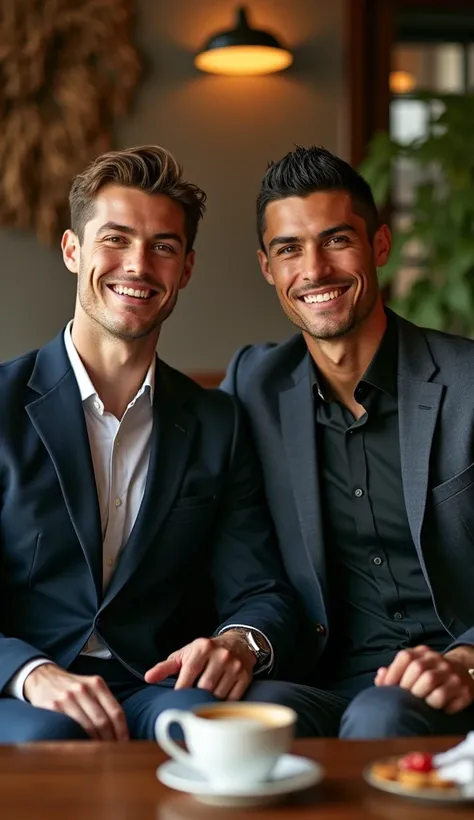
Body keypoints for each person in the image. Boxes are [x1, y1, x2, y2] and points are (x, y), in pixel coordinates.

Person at [0, 145, 318, 742]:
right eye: (115, 239)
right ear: (74, 251)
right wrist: (29, 672)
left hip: (156, 684)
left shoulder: (217, 423)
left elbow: (260, 589)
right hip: (20, 690)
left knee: (216, 733)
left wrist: (239, 643)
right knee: (53, 740)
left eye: (163, 248)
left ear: (186, 269)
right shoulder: (1, 405)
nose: (138, 265)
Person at [221, 145, 474, 738]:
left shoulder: (467, 383)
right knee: (231, 723)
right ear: (267, 268)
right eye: (289, 249)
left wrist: (466, 661)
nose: (314, 270)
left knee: (379, 717)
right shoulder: (251, 387)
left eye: (337, 240)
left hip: (452, 674)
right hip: (319, 680)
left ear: (379, 245)